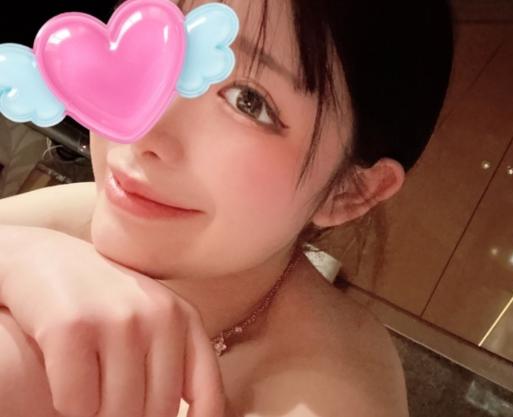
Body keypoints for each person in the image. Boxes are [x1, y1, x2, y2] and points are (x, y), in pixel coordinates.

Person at [0, 0, 454, 416]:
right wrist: (21, 258)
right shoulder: (86, 212)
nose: (146, 129)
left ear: (349, 193)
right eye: (155, 47)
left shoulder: (324, 398)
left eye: (248, 101)